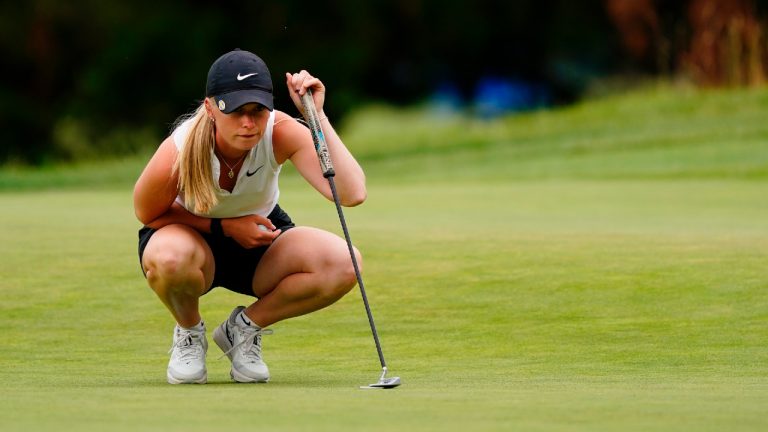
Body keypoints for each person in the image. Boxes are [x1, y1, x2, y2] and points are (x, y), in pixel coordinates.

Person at [133, 49, 366, 384]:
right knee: (169, 258)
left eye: (257, 111)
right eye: (236, 111)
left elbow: (351, 192)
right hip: (189, 238)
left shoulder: (281, 131)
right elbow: (147, 213)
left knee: (347, 263)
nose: (248, 123)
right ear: (211, 108)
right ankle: (189, 332)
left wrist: (316, 117)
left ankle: (243, 329)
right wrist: (224, 227)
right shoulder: (181, 148)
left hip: (261, 241)